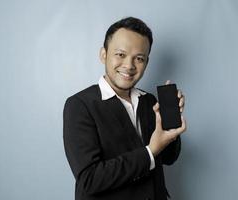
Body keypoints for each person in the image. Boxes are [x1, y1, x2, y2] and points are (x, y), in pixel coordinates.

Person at [63, 17, 186, 200]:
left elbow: (168, 158)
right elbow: (90, 180)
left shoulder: (149, 101)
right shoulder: (79, 105)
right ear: (103, 55)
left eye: (139, 58)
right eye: (120, 54)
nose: (129, 66)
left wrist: (171, 129)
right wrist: (150, 151)